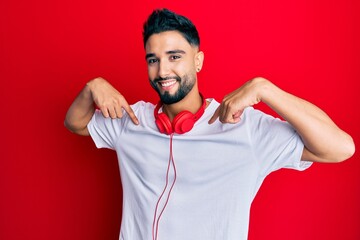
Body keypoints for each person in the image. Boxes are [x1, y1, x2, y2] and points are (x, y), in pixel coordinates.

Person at [64, 8, 355, 240]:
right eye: (153, 60)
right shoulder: (131, 119)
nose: (162, 70)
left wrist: (265, 89)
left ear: (198, 61)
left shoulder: (244, 128)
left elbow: (340, 148)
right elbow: (75, 123)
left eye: (174, 57)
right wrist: (93, 86)